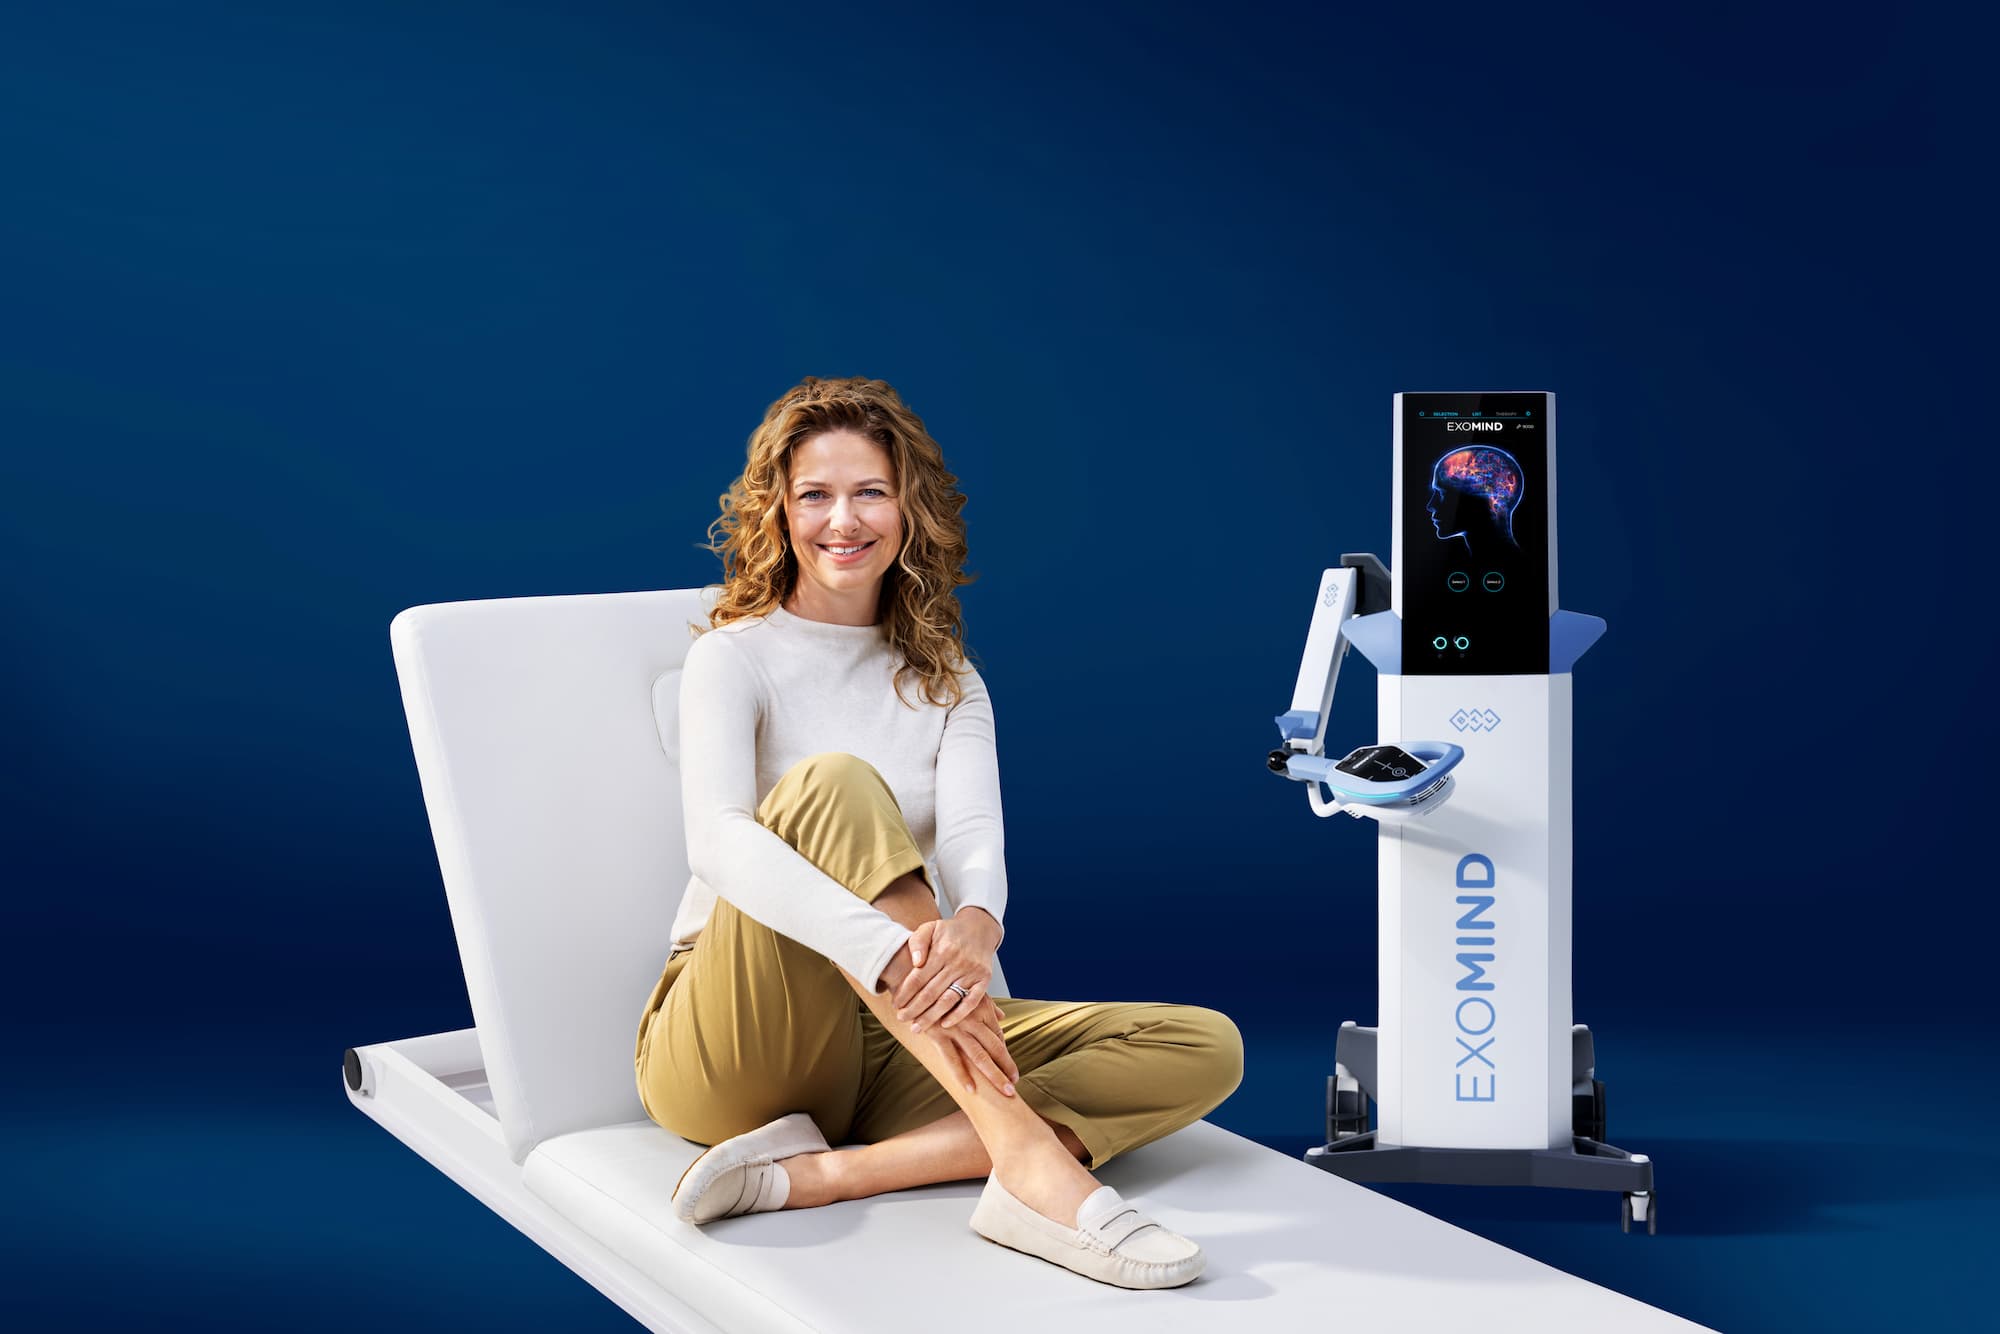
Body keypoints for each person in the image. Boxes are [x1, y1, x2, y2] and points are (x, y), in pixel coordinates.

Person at [632, 375, 1243, 1289]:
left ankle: (826, 1174)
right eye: (816, 495)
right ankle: (1029, 1164)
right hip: (732, 1043)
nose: (845, 520)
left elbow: (969, 842)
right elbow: (718, 841)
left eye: (871, 491)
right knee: (835, 785)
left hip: (890, 1042)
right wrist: (894, 953)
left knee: (1203, 1046)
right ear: (779, 513)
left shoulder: (946, 676)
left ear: (910, 508)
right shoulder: (733, 656)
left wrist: (977, 928)